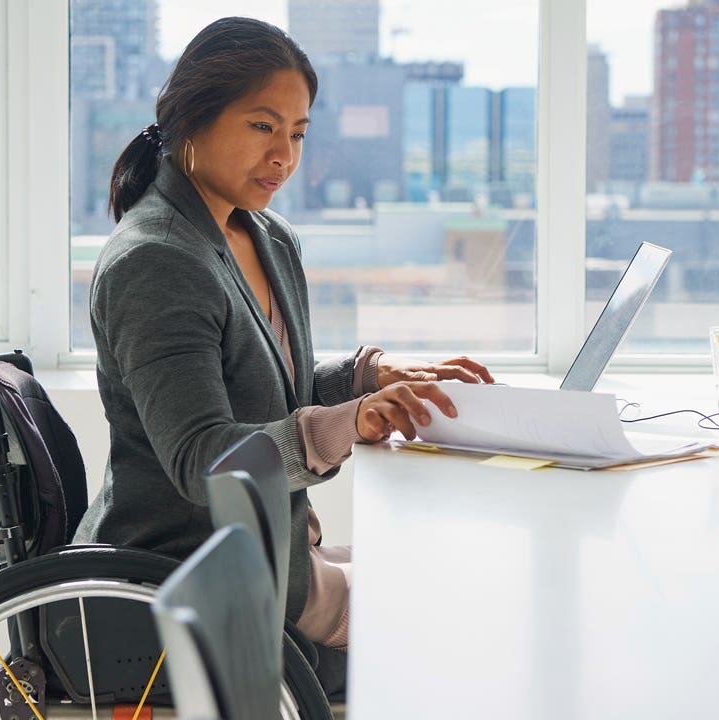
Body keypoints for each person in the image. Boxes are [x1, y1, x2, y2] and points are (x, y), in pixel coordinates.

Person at [72, 15, 494, 673]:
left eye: (297, 133)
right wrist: (347, 425)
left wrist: (370, 377)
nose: (285, 155)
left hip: (280, 553)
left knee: (464, 579)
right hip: (196, 579)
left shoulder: (265, 238)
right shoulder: (155, 260)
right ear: (192, 117)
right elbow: (203, 459)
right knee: (465, 618)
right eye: (263, 126)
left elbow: (267, 388)